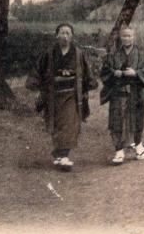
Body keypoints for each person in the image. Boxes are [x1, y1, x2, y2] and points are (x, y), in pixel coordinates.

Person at [25, 23, 97, 171]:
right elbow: (39, 70)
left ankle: (64, 156)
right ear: (57, 35)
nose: (65, 36)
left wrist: (87, 86)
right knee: (56, 125)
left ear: (72, 36)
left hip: (72, 94)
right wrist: (36, 85)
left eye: (68, 33)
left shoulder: (78, 53)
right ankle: (58, 154)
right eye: (62, 33)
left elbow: (86, 72)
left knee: (70, 124)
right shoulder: (49, 53)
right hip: (53, 95)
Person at [100, 26, 144, 165]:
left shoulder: (141, 55)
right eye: (124, 36)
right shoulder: (113, 55)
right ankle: (119, 150)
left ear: (134, 37)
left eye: (129, 36)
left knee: (137, 118)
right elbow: (105, 71)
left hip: (136, 91)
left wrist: (136, 73)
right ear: (120, 37)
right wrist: (114, 73)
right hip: (118, 92)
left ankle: (138, 144)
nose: (127, 38)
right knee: (117, 119)